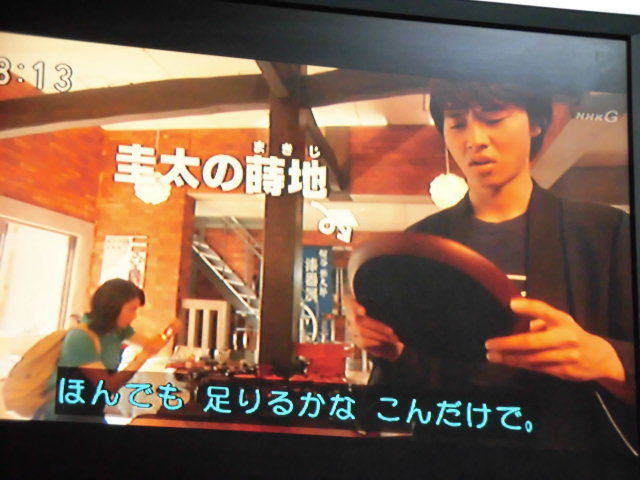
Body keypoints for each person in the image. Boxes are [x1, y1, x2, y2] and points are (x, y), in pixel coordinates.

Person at [347, 79, 636, 454]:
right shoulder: (422, 243)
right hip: (449, 457)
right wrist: (388, 352)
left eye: (494, 118)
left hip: (568, 458)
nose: (475, 139)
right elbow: (401, 397)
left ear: (536, 123)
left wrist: (606, 358)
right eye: (457, 123)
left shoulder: (606, 233)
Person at [34, 278, 181, 421]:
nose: (134, 316)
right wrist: (143, 357)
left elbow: (151, 345)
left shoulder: (116, 330)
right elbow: (107, 387)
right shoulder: (81, 337)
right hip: (65, 415)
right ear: (112, 308)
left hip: (91, 411)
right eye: (131, 310)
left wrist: (169, 332)